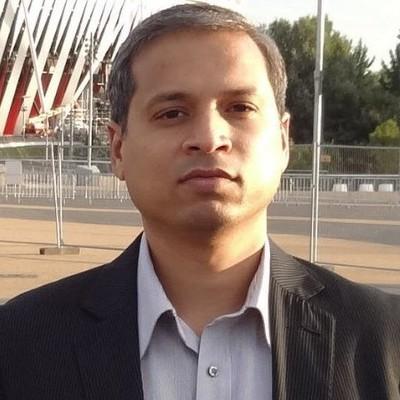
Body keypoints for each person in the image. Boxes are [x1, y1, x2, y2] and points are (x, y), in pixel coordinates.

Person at [0, 3, 399, 400]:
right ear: (118, 149)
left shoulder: (383, 338)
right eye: (172, 113)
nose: (209, 138)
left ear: (283, 140)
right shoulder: (19, 344)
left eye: (239, 108)